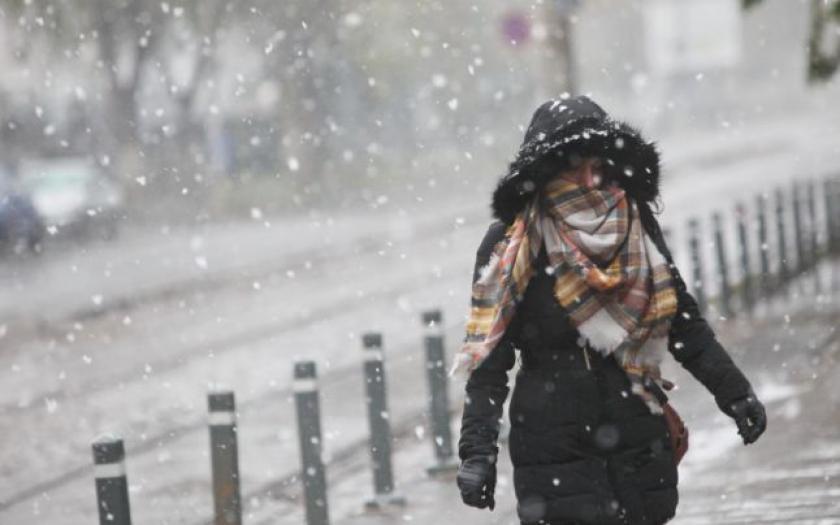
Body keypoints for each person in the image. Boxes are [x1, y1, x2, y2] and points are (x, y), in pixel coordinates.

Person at [453, 96, 767, 525]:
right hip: (553, 451)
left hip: (636, 439)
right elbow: (489, 364)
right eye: (572, 165)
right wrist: (477, 452)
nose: (589, 177)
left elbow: (680, 321)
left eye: (598, 164)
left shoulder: (633, 225)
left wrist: (734, 392)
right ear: (545, 171)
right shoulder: (510, 246)